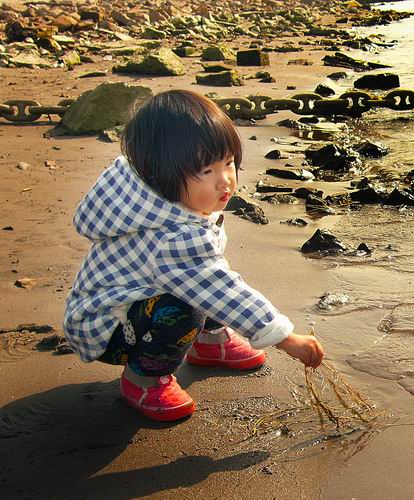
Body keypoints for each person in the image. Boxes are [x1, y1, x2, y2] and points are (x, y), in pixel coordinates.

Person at [64, 89, 324, 422]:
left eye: (228, 163)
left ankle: (211, 342)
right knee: (187, 305)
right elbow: (220, 291)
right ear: (164, 173)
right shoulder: (175, 236)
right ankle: (143, 379)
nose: (225, 181)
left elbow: (209, 273)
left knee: (207, 273)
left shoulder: (166, 200)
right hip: (106, 328)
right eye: (205, 171)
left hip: (135, 301)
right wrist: (286, 338)